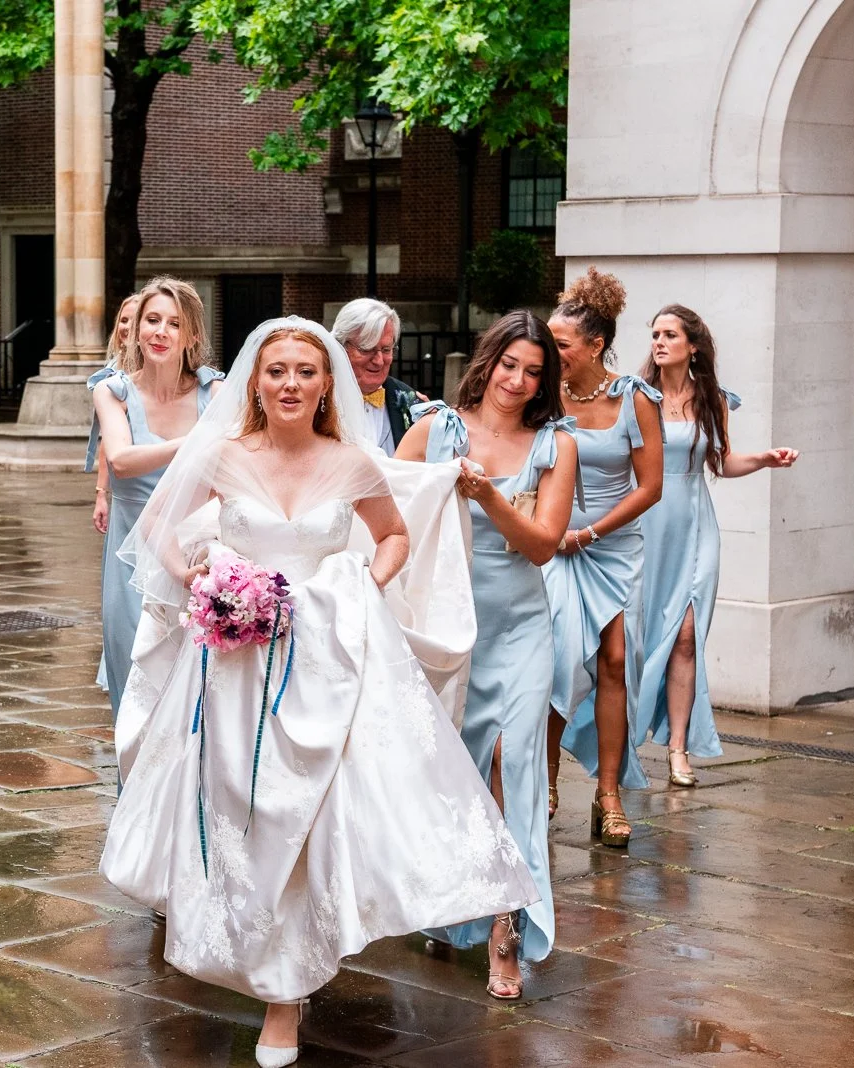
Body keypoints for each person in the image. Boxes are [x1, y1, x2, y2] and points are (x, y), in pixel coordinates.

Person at [103, 317, 537, 1066]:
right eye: (277, 371)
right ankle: (253, 949)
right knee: (244, 809)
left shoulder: (351, 462)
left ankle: (284, 994)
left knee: (310, 816)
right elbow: (161, 531)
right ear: (256, 382)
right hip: (237, 667)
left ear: (326, 383)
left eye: (306, 371)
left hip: (328, 662)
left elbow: (394, 535)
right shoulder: (224, 455)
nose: (291, 384)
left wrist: (363, 584)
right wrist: (198, 577)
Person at [398, 310, 578, 1000]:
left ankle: (508, 929)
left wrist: (487, 497)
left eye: (534, 371)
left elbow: (542, 544)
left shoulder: (555, 445)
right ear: (489, 360)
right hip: (448, 626)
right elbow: (383, 507)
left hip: (522, 624)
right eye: (509, 365)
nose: (518, 380)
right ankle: (453, 906)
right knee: (456, 769)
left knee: (513, 763)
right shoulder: (436, 430)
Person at [636, 305, 798, 785]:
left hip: (695, 527)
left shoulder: (712, 398)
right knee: (639, 639)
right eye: (655, 334)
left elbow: (721, 462)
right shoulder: (637, 397)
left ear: (693, 346)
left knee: (687, 637)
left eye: (670, 335)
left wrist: (764, 459)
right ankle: (621, 741)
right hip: (646, 526)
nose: (659, 342)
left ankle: (678, 748)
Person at [541, 269, 663, 849]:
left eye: (560, 344)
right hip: (551, 545)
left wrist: (589, 533)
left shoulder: (634, 399)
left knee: (615, 661)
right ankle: (545, 780)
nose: (550, 353)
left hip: (611, 548)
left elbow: (651, 487)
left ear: (595, 345)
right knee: (558, 659)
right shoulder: (541, 393)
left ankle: (608, 793)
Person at [85, 277, 223, 721]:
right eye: (152, 320)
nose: (160, 332)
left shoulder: (214, 394)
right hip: (129, 554)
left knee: (196, 683)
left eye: (174, 324)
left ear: (192, 335)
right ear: (137, 328)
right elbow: (121, 460)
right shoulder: (113, 391)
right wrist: (196, 442)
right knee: (134, 679)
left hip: (195, 551)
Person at [332, 297, 423, 454]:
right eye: (367, 349)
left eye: (386, 350)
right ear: (340, 347)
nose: (379, 361)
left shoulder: (411, 402)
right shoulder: (318, 399)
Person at [91, 294, 141, 536]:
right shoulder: (112, 373)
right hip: (125, 483)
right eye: (123, 320)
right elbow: (107, 442)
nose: (127, 327)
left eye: (135, 320)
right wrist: (101, 493)